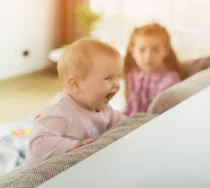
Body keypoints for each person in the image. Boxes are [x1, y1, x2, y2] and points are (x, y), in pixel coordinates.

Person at [24, 38, 124, 168]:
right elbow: (38, 143)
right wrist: (74, 146)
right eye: (108, 78)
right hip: (45, 174)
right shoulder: (59, 110)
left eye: (118, 77)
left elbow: (124, 123)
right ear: (75, 85)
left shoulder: (103, 108)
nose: (117, 84)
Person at [123, 23, 186, 116]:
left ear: (166, 51)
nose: (148, 56)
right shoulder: (132, 75)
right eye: (142, 50)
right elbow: (129, 108)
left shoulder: (170, 80)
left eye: (155, 50)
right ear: (132, 52)